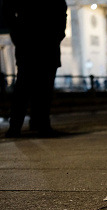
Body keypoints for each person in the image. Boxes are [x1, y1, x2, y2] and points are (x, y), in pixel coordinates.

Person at [2, 0, 67, 138]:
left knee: (36, 87)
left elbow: (61, 9)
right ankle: (28, 126)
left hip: (39, 42)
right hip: (34, 42)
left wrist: (17, 33)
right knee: (29, 87)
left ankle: (33, 125)